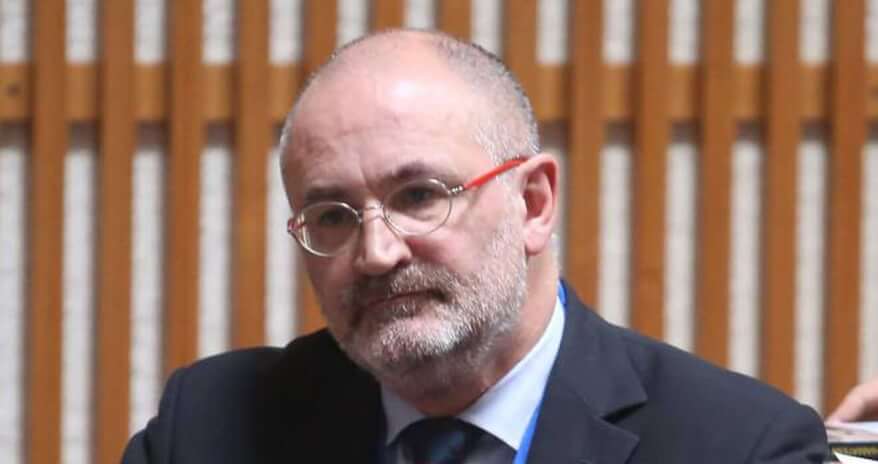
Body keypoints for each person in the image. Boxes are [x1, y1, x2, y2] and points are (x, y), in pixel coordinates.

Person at [122, 29, 828, 463]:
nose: (377, 253)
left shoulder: (738, 445)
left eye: (419, 196)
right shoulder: (212, 424)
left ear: (533, 204)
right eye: (332, 215)